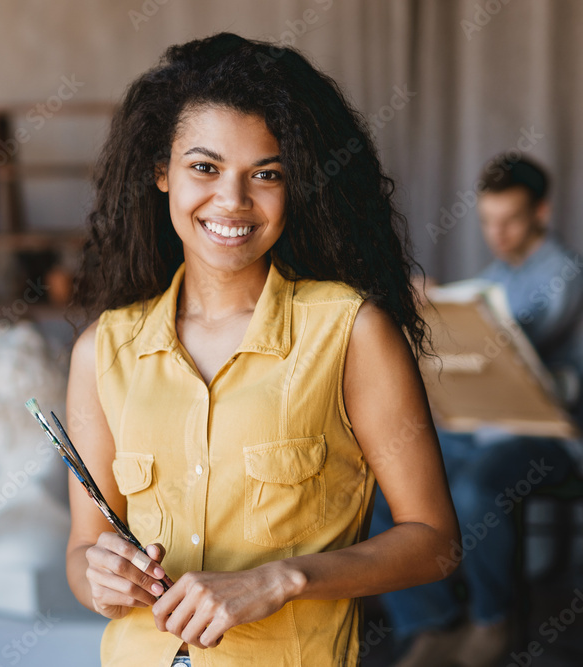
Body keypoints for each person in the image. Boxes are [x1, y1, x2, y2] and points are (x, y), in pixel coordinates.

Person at [64, 33, 462, 667]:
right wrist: (100, 576)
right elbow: (84, 549)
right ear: (161, 172)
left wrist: (282, 579)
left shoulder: (351, 333)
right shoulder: (102, 352)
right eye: (204, 167)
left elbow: (435, 542)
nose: (232, 200)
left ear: (296, 185)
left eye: (266, 174)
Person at [369, 157, 583, 667]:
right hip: (483, 428)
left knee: (475, 488)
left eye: (509, 220)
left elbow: (526, 335)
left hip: (548, 434)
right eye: (488, 221)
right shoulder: (493, 276)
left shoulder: (565, 273)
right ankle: (430, 622)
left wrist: (447, 308)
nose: (497, 234)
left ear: (541, 212)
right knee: (388, 477)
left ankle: (493, 620)